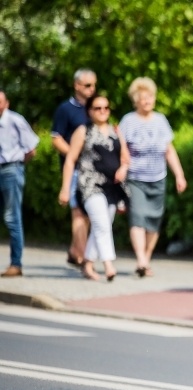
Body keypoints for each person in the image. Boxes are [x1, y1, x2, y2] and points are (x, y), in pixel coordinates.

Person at [119, 77, 187, 278]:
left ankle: (146, 259)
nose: (147, 100)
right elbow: (122, 150)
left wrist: (179, 174)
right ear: (136, 100)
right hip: (136, 177)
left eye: (150, 97)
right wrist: (122, 170)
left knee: (154, 221)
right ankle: (140, 258)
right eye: (143, 97)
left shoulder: (160, 120)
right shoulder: (128, 121)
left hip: (158, 177)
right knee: (138, 217)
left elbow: (169, 150)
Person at [59, 94, 129, 282]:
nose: (102, 112)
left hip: (112, 186)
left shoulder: (116, 131)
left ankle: (88, 263)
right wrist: (65, 188)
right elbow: (70, 160)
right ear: (90, 111)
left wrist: (123, 168)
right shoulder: (83, 131)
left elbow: (125, 158)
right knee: (101, 223)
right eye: (98, 108)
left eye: (106, 108)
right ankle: (108, 264)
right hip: (90, 184)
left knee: (102, 225)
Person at [52, 68, 96, 268]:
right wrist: (74, 154)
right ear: (76, 85)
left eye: (94, 85)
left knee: (87, 215)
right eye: (87, 85)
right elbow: (56, 138)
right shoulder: (65, 109)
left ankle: (74, 250)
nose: (91, 89)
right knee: (78, 212)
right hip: (76, 169)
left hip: (94, 171)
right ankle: (83, 257)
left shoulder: (95, 109)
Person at [0, 90, 39, 277]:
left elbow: (32, 148)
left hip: (10, 169)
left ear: (6, 104)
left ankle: (16, 264)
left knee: (11, 216)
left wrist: (18, 165)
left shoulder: (15, 120)